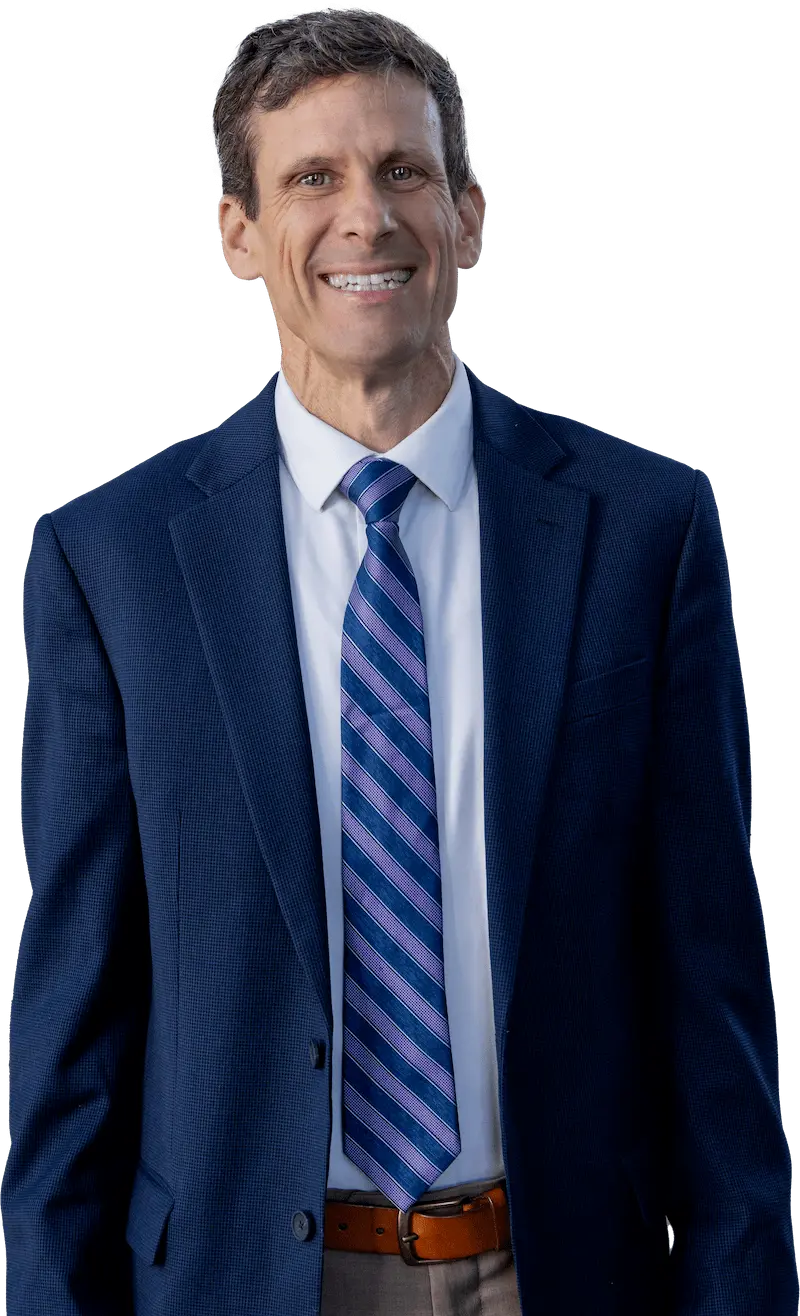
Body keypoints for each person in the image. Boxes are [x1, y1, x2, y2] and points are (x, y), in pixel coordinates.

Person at [1, 5, 797, 1314]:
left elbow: (713, 989)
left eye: (404, 171)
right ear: (240, 236)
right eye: (312, 178)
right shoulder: (114, 563)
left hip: (562, 1273)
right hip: (241, 1286)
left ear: (469, 215)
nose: (365, 216)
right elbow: (73, 1033)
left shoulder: (645, 530)